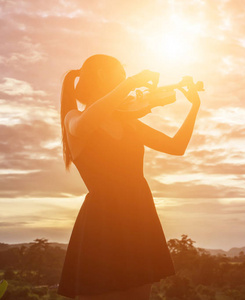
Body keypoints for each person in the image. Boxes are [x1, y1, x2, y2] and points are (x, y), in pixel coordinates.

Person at [57, 54, 200, 300]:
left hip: (138, 215)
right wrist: (132, 82)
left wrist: (195, 107)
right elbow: (85, 124)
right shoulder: (74, 118)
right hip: (103, 221)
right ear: (103, 75)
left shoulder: (128, 123)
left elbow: (177, 146)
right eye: (121, 76)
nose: (125, 82)